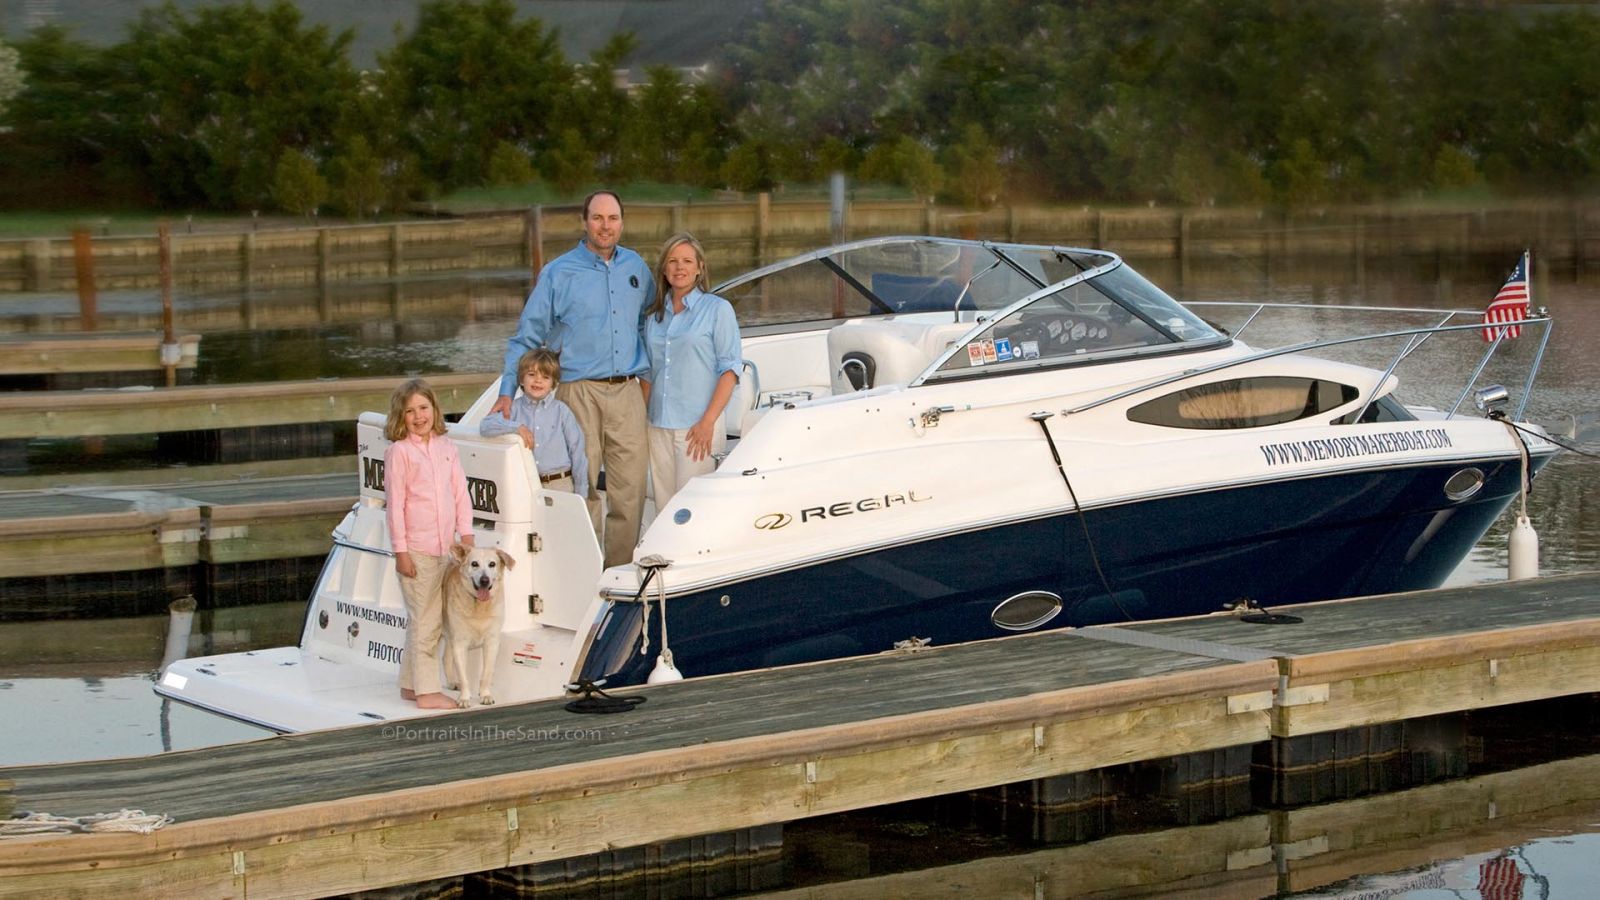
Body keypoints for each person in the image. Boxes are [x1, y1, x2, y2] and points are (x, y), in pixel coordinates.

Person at [493, 191, 651, 569]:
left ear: (622, 222)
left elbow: (649, 324)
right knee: (583, 487)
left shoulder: (637, 268)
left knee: (630, 490)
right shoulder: (558, 272)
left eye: (613, 218)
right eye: (598, 218)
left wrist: (647, 381)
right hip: (578, 392)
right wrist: (505, 393)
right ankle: (585, 572)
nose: (605, 225)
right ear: (585, 221)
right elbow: (527, 336)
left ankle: (618, 574)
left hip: (627, 391)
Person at [383, 377, 475, 710]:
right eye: (410, 411)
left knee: (425, 619)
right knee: (427, 621)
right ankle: (427, 692)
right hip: (417, 551)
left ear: (434, 410)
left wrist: (466, 535)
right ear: (400, 417)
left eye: (424, 408)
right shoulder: (399, 453)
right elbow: (395, 506)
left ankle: (410, 684)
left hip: (445, 550)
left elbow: (460, 493)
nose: (419, 416)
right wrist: (401, 551)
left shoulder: (446, 448)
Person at [640, 233, 742, 509]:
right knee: (663, 508)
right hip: (657, 425)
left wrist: (707, 422)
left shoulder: (718, 309)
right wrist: (640, 422)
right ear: (663, 269)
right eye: (672, 261)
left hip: (697, 426)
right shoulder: (653, 317)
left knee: (694, 509)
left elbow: (730, 370)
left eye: (687, 261)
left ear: (699, 268)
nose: (679, 267)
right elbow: (649, 374)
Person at [480, 348, 589, 496]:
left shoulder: (562, 411)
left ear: (553, 384)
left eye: (545, 377)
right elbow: (485, 426)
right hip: (524, 484)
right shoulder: (512, 409)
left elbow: (577, 452)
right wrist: (517, 427)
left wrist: (581, 494)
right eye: (531, 375)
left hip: (560, 485)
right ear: (521, 380)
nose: (538, 380)